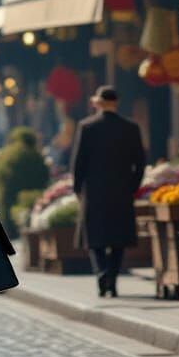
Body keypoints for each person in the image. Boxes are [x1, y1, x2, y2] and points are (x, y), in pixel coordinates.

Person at [71, 86, 146, 299]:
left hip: (93, 191)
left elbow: (78, 162)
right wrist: (132, 186)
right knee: (118, 239)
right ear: (116, 102)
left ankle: (101, 272)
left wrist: (77, 188)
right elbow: (140, 163)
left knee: (94, 238)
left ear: (98, 103)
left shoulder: (86, 126)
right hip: (121, 191)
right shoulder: (131, 127)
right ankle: (111, 278)